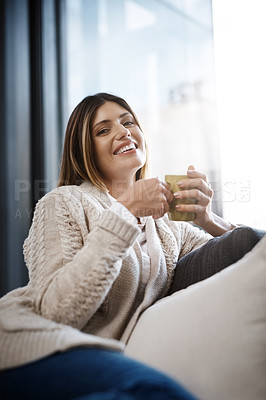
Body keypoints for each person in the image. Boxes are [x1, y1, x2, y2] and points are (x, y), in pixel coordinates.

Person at [0, 92, 264, 399]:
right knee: (155, 392)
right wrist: (125, 212)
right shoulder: (63, 202)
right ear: (84, 150)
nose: (123, 131)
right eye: (103, 130)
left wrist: (208, 218)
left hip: (104, 355)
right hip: (30, 343)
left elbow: (248, 252)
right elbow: (56, 311)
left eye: (128, 122)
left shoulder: (164, 226)